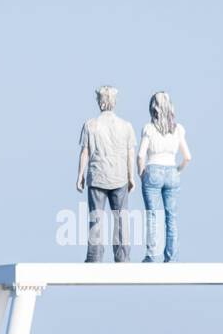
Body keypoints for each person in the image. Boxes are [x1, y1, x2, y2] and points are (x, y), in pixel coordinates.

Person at [76, 86, 137, 262]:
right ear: (114, 102)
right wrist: (131, 176)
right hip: (120, 177)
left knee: (96, 218)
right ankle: (122, 256)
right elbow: (130, 153)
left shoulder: (90, 124)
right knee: (121, 219)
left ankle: (94, 256)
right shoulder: (126, 126)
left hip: (97, 176)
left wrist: (80, 175)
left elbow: (85, 152)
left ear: (99, 101)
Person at [138, 91, 190, 262]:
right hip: (172, 172)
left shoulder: (149, 129)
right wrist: (178, 170)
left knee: (152, 215)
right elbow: (188, 157)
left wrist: (141, 173)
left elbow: (140, 155)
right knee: (171, 217)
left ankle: (152, 256)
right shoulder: (178, 130)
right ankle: (171, 257)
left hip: (152, 170)